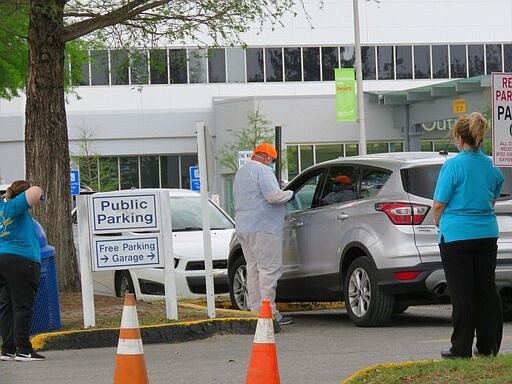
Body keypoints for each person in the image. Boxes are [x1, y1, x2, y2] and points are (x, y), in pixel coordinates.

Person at [433, 112, 504, 359]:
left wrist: (438, 223)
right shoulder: (491, 165)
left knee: (462, 293)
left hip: (456, 236)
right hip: (486, 234)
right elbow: (493, 197)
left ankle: (460, 347)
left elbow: (439, 203)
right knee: (486, 290)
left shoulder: (452, 165)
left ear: (459, 138)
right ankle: (489, 346)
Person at [233, 143, 294, 325]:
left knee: (253, 268)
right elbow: (273, 196)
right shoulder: (263, 171)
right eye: (273, 160)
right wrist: (290, 194)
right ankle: (270, 312)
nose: (272, 163)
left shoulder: (241, 172)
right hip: (264, 227)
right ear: (267, 157)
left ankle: (256, 311)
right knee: (268, 269)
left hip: (244, 227)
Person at [0, 180, 45, 361]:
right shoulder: (14, 206)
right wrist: (38, 195)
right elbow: (35, 190)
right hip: (22, 260)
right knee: (22, 306)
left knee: (6, 307)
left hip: (2, 260)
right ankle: (24, 350)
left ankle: (8, 349)